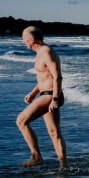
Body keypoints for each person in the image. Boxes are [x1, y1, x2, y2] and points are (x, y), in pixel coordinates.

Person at [16, 26, 68, 169]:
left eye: (24, 38)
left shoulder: (46, 52)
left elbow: (57, 76)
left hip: (51, 95)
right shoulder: (40, 53)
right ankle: (64, 165)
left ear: (32, 39)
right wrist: (33, 93)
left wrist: (55, 99)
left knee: (21, 121)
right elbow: (45, 78)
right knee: (54, 132)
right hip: (46, 94)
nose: (23, 41)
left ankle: (36, 157)